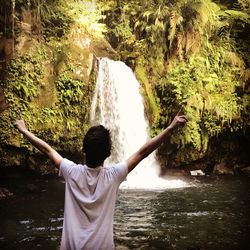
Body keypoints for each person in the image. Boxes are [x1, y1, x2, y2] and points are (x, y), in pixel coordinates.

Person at [15, 113, 187, 250]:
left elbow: (47, 150)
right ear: (108, 154)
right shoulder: (114, 175)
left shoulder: (70, 171)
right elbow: (143, 152)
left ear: (83, 149)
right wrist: (171, 127)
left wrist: (24, 130)